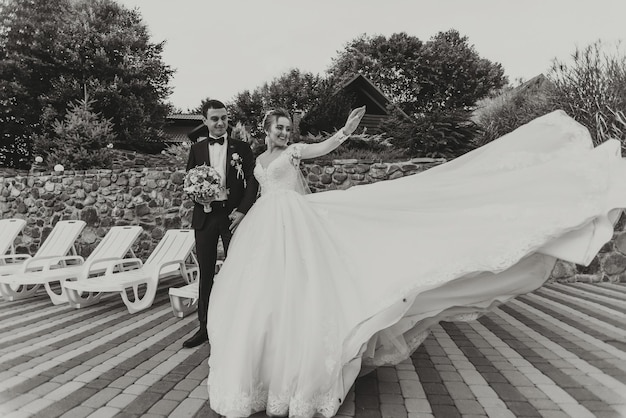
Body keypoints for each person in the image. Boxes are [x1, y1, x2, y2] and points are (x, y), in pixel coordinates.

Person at [205, 107, 626, 417]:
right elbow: (260, 192)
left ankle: (298, 377)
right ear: (265, 131)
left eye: (286, 129)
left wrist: (345, 132)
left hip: (295, 224)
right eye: (277, 129)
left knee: (304, 290)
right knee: (263, 299)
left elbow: (321, 148)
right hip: (266, 228)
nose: (283, 134)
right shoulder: (256, 160)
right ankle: (261, 374)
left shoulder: (295, 152)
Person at [183, 99, 258, 349]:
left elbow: (252, 182)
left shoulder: (242, 148)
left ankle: (238, 326)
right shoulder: (198, 149)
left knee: (238, 271)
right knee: (205, 273)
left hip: (232, 217)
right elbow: (189, 181)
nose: (220, 123)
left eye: (224, 118)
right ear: (205, 121)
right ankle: (204, 327)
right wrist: (197, 195)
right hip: (204, 217)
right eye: (214, 119)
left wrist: (243, 211)